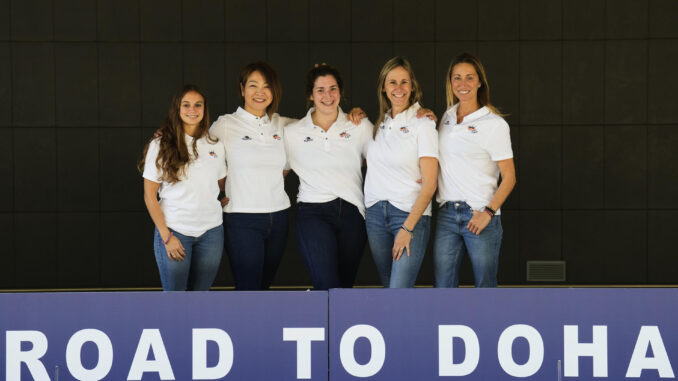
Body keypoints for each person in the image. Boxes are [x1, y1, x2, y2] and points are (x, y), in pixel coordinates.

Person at [284, 64, 372, 290]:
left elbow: (383, 160)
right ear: (310, 95)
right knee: (326, 285)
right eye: (320, 90)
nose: (327, 96)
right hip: (313, 211)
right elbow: (275, 173)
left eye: (333, 89)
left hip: (352, 212)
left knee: (344, 287)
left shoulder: (358, 125)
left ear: (341, 92)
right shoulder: (293, 132)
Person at [434, 52, 516, 288]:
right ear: (450, 81)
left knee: (485, 287)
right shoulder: (447, 117)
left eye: (470, 78)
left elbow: (510, 177)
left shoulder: (494, 124)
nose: (463, 84)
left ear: (480, 81)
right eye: (457, 78)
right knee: (443, 289)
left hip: (480, 214)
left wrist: (488, 213)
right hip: (447, 214)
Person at [209, 62, 293, 290]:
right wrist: (224, 189)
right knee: (248, 290)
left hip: (278, 218)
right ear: (242, 89)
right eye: (253, 85)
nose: (260, 92)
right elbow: (201, 158)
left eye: (266, 86)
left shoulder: (282, 124)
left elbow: (321, 123)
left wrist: (352, 115)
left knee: (264, 288)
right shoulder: (225, 125)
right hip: (241, 219)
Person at [140, 84, 226, 291]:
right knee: (176, 302)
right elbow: (149, 196)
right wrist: (166, 236)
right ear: (177, 109)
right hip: (175, 232)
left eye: (198, 105)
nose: (192, 110)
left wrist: (222, 198)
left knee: (200, 299)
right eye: (186, 105)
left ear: (204, 109)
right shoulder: (160, 145)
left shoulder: (215, 144)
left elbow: (219, 183)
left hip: (211, 233)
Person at [364, 56, 439, 288]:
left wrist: (407, 227)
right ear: (384, 88)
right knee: (389, 288)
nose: (398, 88)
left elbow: (430, 184)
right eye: (392, 82)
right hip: (376, 214)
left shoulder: (423, 124)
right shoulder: (377, 125)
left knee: (399, 290)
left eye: (404, 82)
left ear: (413, 86)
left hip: (407, 214)